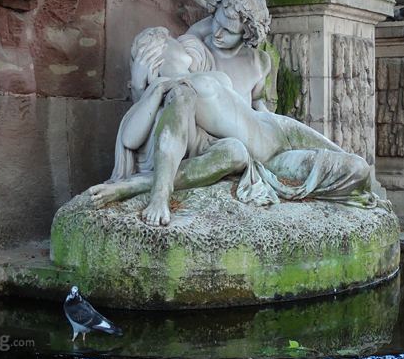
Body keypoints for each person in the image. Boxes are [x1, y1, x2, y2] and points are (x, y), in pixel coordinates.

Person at [86, 27, 375, 226]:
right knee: (358, 170)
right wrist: (160, 196)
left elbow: (207, 27)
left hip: (277, 126)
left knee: (361, 170)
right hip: (273, 162)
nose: (184, 42)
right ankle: (139, 187)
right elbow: (149, 136)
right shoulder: (175, 89)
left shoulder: (203, 72)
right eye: (172, 43)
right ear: (156, 58)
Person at [186, 0, 272, 111]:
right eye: (216, 22)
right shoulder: (197, 49)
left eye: (228, 31)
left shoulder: (258, 63)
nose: (217, 33)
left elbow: (257, 104)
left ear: (248, 35)